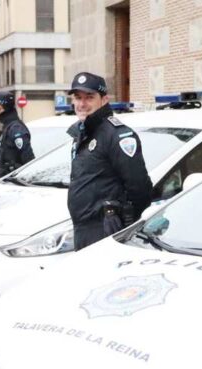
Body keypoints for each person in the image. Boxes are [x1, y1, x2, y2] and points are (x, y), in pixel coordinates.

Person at [66, 72, 152, 250]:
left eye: (89, 97)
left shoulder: (117, 136)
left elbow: (140, 188)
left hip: (105, 231)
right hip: (83, 229)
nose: (82, 104)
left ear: (104, 100)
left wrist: (120, 220)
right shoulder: (82, 133)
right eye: (77, 97)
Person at [0, 92, 34, 177]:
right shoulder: (8, 126)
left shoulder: (15, 128)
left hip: (15, 182)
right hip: (8, 180)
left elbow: (29, 160)